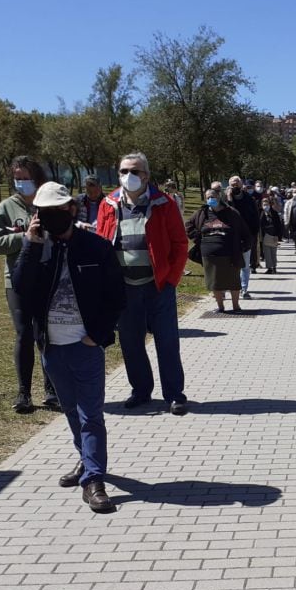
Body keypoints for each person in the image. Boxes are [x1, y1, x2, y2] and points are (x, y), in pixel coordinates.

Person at [11, 182, 126, 513]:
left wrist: (98, 334)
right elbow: (20, 287)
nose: (51, 218)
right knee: (72, 411)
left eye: (57, 211)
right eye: (43, 213)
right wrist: (31, 245)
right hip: (52, 347)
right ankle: (85, 461)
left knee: (91, 415)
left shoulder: (95, 247)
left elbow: (116, 297)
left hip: (84, 345)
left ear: (72, 210)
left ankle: (93, 480)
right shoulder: (36, 247)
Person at [96, 152, 190, 415]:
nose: (129, 176)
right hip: (124, 287)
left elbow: (181, 244)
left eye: (135, 171)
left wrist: (171, 279)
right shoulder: (108, 204)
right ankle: (141, 391)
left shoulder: (165, 203)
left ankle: (174, 394)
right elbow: (102, 241)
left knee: (167, 342)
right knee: (131, 342)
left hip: (158, 285)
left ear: (146, 175)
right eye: (124, 171)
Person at [0, 155, 58, 413]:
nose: (21, 183)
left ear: (37, 179)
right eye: (17, 179)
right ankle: (24, 393)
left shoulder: (48, 204)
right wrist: (23, 236)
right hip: (16, 281)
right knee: (24, 334)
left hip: (46, 278)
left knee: (45, 335)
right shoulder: (6, 208)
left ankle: (52, 390)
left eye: (26, 178)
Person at [187, 189, 250, 313]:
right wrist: (198, 238)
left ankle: (236, 306)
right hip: (209, 254)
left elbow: (244, 231)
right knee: (214, 281)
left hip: (230, 253)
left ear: (219, 197)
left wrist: (243, 247)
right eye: (208, 197)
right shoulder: (201, 213)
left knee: (233, 280)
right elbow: (188, 226)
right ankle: (220, 307)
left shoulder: (231, 213)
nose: (211, 199)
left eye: (213, 196)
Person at [226, 176, 259, 296]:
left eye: (237, 184)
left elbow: (255, 217)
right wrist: (229, 199)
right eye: (233, 185)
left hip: (246, 237)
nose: (235, 187)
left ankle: (244, 289)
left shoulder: (249, 199)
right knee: (231, 265)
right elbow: (229, 215)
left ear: (241, 185)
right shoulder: (225, 200)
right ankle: (232, 287)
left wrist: (253, 234)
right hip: (230, 237)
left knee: (245, 265)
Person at [258, 198, 284, 273]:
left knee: (273, 252)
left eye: (267, 204)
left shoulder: (274, 213)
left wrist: (278, 236)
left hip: (273, 236)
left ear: (270, 204)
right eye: (264, 204)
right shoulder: (261, 213)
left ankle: (274, 267)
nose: (265, 206)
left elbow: (279, 225)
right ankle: (269, 268)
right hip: (265, 236)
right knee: (267, 253)